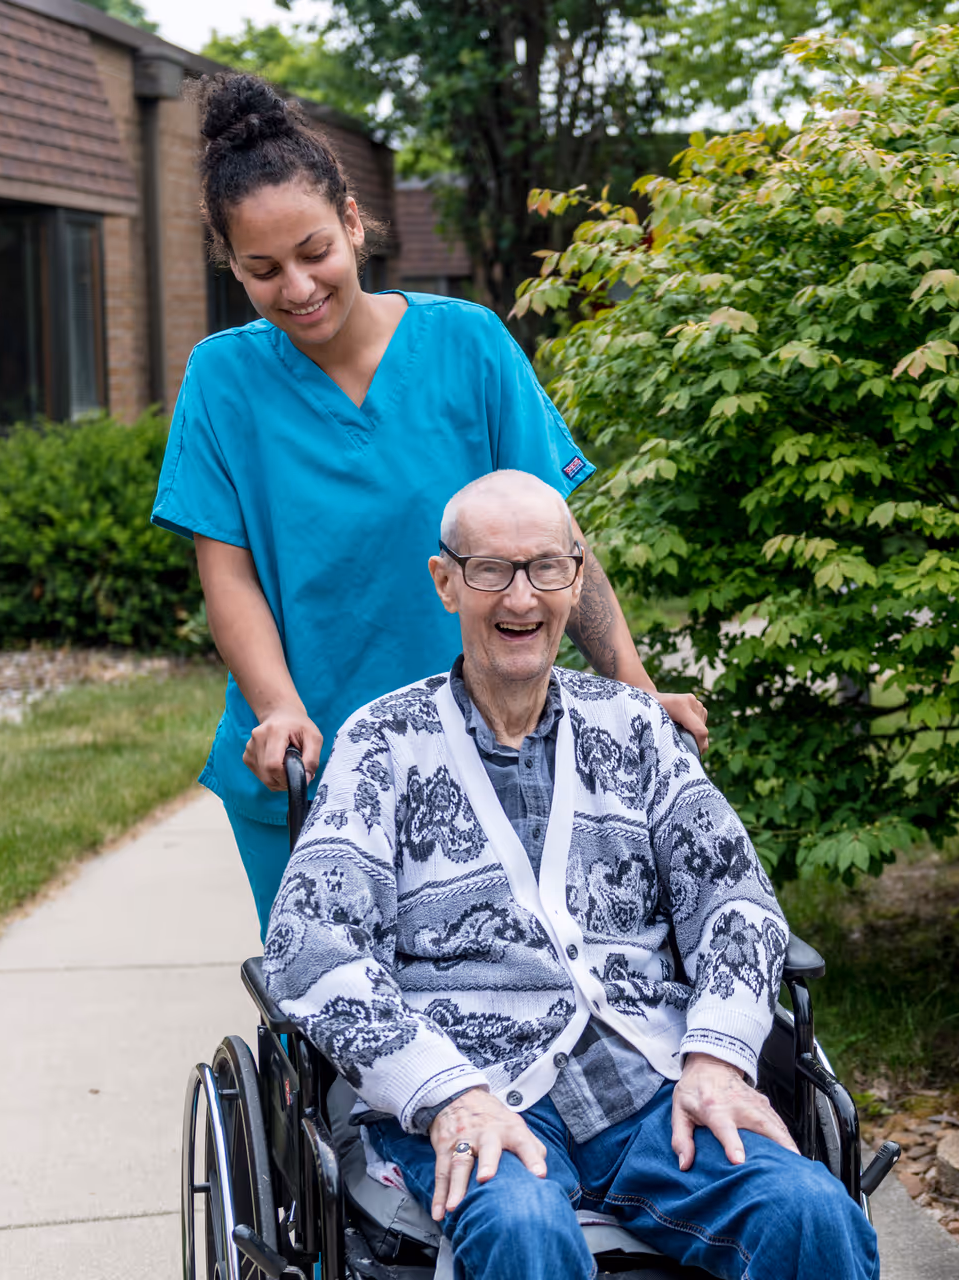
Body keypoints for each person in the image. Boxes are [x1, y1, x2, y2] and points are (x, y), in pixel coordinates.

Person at [262, 470, 878, 1280]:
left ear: (577, 577)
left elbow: (736, 902)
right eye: (491, 571)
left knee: (811, 1214)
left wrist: (718, 1058)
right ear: (446, 583)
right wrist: (445, 1091)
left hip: (653, 1088)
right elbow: (310, 948)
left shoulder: (635, 729)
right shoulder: (382, 745)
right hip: (475, 1089)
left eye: (545, 568)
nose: (522, 599)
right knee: (521, 1233)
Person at [150, 74, 705, 935]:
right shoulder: (223, 380)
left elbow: (557, 543)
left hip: (493, 758)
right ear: (233, 267)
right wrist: (278, 710)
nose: (296, 287)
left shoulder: (468, 345)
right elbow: (229, 576)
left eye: (314, 251)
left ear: (354, 224)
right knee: (335, 1023)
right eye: (262, 270)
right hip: (310, 770)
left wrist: (634, 689)